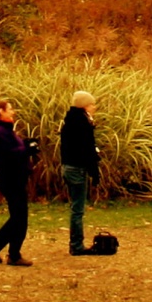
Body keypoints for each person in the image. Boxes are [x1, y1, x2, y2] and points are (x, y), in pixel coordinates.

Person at [0, 100, 33, 267]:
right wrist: (26, 149)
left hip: (15, 179)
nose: (13, 111)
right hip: (11, 180)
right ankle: (9, 253)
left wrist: (27, 145)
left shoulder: (7, 131)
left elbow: (16, 151)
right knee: (19, 219)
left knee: (18, 218)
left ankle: (0, 249)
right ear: (1, 111)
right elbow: (8, 156)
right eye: (10, 109)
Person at [60, 90, 101, 256]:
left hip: (67, 167)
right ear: (84, 106)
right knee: (78, 209)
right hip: (77, 168)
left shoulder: (68, 122)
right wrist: (95, 172)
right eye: (91, 104)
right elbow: (87, 150)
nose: (94, 107)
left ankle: (76, 243)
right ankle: (76, 245)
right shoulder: (83, 124)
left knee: (75, 206)